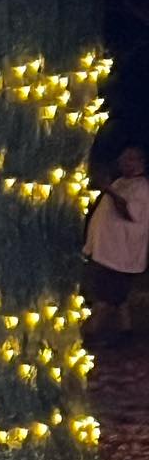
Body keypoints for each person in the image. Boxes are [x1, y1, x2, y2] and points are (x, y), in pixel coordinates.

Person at [84, 144, 149, 341]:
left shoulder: (142, 187)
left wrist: (108, 190)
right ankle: (125, 331)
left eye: (129, 159)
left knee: (105, 295)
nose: (123, 163)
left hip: (121, 253)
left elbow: (129, 212)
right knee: (118, 297)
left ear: (140, 163)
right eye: (123, 159)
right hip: (108, 250)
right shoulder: (121, 182)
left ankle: (94, 333)